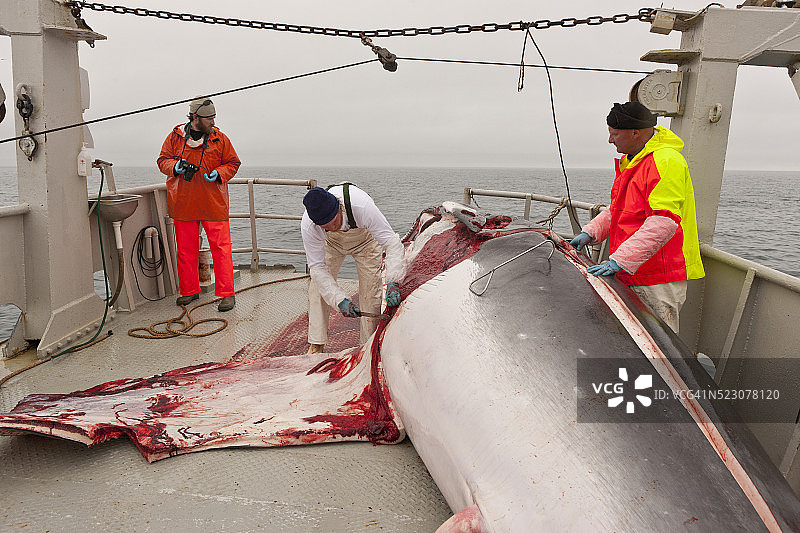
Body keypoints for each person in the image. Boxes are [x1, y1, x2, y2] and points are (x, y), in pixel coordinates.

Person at [570, 101, 704, 333]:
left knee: (657, 342)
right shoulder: (635, 159)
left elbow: (663, 222)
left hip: (658, 277)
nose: (610, 140)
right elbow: (619, 209)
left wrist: (619, 260)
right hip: (634, 269)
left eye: (614, 134)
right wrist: (590, 232)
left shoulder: (665, 161)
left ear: (635, 132)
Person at [157, 97, 241, 312]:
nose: (213, 121)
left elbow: (233, 163)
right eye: (208, 118)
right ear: (195, 117)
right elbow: (162, 161)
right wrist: (175, 167)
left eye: (214, 117)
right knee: (185, 250)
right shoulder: (175, 137)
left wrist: (220, 173)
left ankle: (227, 294)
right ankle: (189, 291)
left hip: (213, 203)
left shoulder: (220, 139)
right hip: (183, 202)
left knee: (221, 250)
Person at [301, 184, 406, 354]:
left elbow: (392, 244)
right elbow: (318, 268)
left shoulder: (362, 206)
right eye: (325, 226)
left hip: (365, 240)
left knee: (371, 291)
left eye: (334, 222)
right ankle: (316, 343)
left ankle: (367, 346)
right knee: (317, 289)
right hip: (332, 243)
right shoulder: (309, 225)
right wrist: (339, 299)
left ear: (339, 207)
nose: (331, 227)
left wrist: (393, 280)